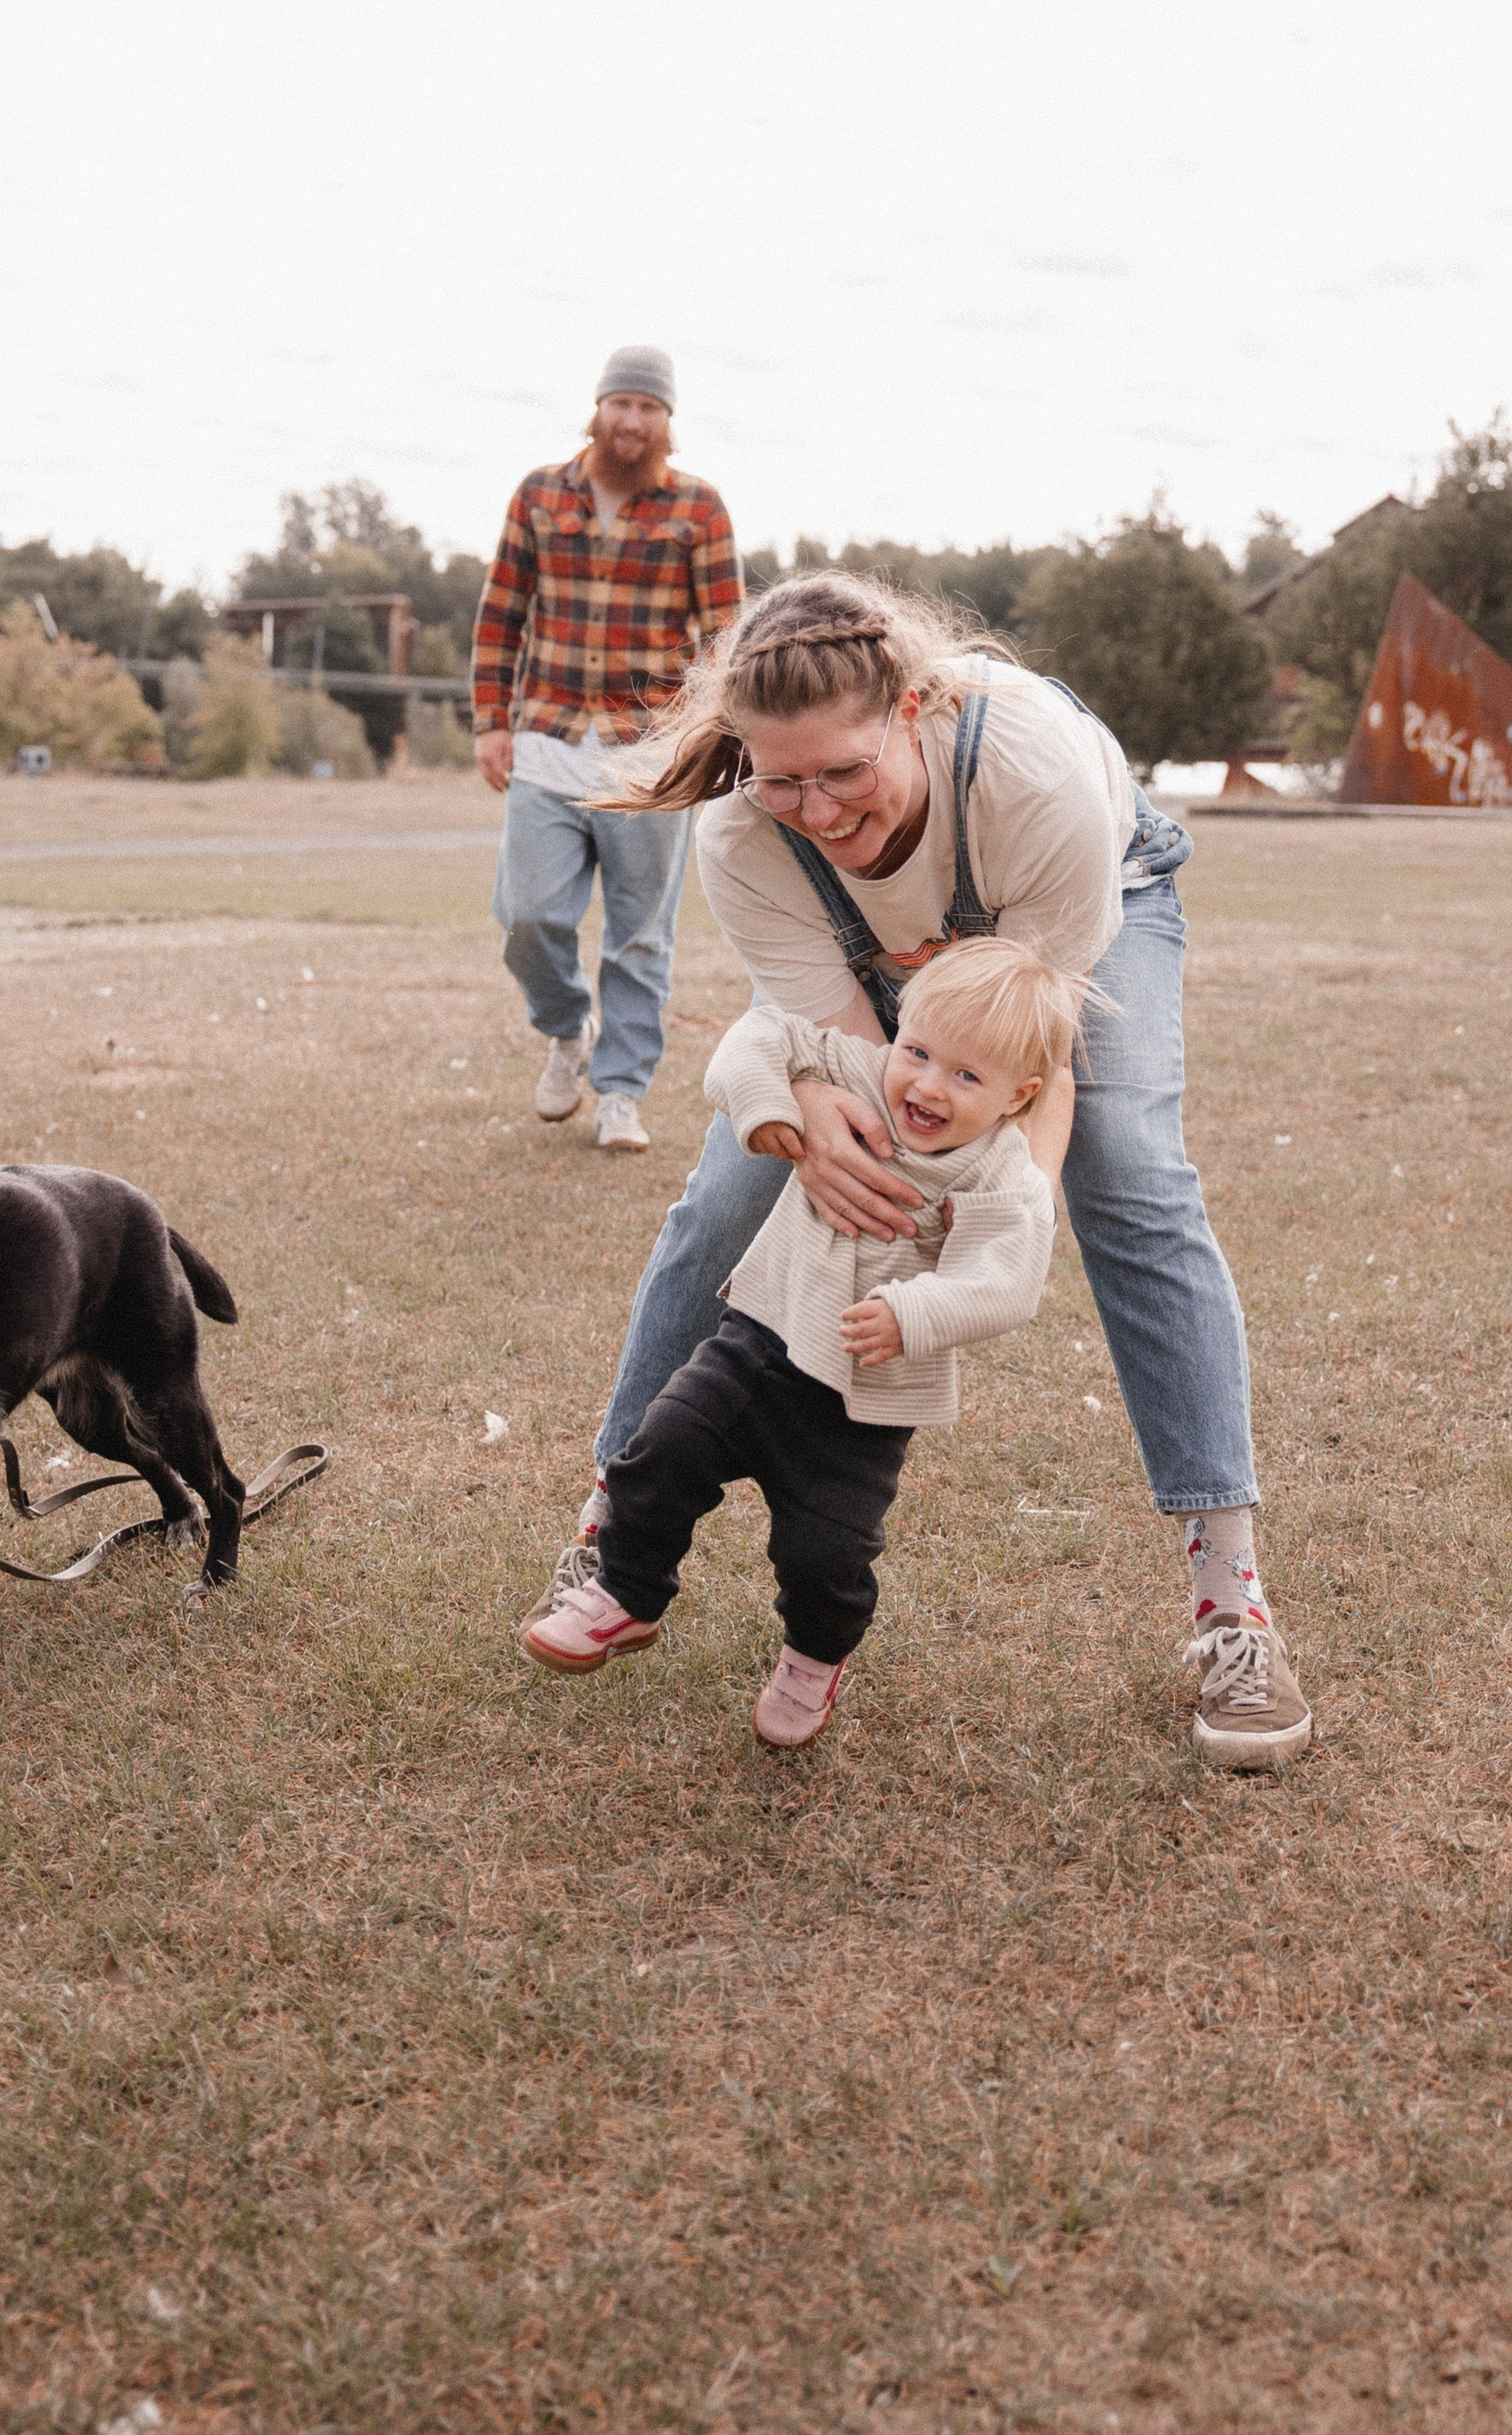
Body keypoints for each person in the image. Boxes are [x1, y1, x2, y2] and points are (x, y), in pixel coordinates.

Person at [525, 569, 1312, 1770]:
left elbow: (1034, 1079)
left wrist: (1005, 1229)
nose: (817, 808)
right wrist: (808, 1125)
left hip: (1071, 913)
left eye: (844, 771)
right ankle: (611, 1535)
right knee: (729, 1193)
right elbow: (844, 1065)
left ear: (909, 709)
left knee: (1132, 1179)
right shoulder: (745, 832)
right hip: (866, 969)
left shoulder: (1032, 778)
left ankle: (1231, 1608)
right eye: (782, 778)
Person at [521, 940, 1074, 1750]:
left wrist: (913, 1313)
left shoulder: (1000, 1175)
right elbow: (757, 1037)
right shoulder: (856, 1072)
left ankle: (812, 1661)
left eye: (966, 1076)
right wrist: (770, 1106)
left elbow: (1008, 1280)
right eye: (918, 1052)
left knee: (827, 1555)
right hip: (755, 1344)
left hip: (862, 1406)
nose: (926, 1085)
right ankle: (627, 1594)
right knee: (660, 1450)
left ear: (1019, 1096)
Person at [471, 349, 743, 1151]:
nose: (632, 421)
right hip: (548, 737)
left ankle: (621, 1091)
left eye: (649, 408)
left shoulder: (698, 508)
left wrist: (717, 742)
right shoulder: (539, 494)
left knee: (639, 932)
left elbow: (727, 639)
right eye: (621, 403)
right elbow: (500, 616)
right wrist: (491, 721)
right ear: (598, 409)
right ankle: (567, 1029)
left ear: (667, 420)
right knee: (528, 916)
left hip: (650, 753)